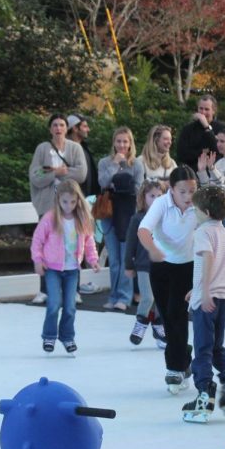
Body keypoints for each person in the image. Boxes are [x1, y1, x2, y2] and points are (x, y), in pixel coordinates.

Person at [181, 186, 225, 423]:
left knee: (203, 349)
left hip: (208, 299)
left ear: (205, 211)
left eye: (195, 209)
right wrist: (195, 289)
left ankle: (204, 394)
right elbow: (218, 266)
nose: (194, 213)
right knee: (216, 347)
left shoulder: (203, 232)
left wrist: (204, 292)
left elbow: (208, 259)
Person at [138, 166, 200, 393]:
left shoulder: (198, 204)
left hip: (187, 266)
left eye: (192, 190)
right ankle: (183, 356)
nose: (188, 196)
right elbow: (143, 230)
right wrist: (153, 249)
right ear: (172, 190)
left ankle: (174, 369)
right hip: (162, 265)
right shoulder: (161, 203)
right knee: (167, 316)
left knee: (178, 314)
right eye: (182, 191)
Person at [31, 179, 100, 354]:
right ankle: (49, 336)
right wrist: (38, 260)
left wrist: (93, 259)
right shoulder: (50, 218)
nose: (68, 206)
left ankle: (67, 337)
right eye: (64, 202)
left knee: (70, 306)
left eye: (72, 202)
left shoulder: (81, 219)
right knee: (54, 303)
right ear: (58, 200)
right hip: (52, 269)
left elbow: (89, 240)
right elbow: (37, 240)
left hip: (72, 270)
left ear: (78, 201)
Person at [28, 113, 89, 304]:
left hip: (70, 204)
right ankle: (44, 289)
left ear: (66, 128)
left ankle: (74, 289)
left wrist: (62, 174)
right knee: (46, 245)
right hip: (48, 205)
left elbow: (81, 173)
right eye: (55, 125)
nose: (58, 128)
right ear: (50, 128)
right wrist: (55, 173)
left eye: (62, 125)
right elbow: (35, 175)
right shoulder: (42, 149)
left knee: (74, 244)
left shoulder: (75, 148)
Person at [97, 126, 144, 311]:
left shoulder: (136, 164)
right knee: (114, 259)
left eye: (125, 141)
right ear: (113, 143)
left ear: (131, 143)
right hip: (109, 213)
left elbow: (139, 189)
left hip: (129, 214)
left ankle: (124, 296)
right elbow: (103, 183)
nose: (122, 145)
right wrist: (115, 165)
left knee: (126, 258)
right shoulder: (104, 162)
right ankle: (113, 295)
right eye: (118, 141)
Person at [123, 179, 168, 348]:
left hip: (163, 265)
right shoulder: (138, 218)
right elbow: (130, 244)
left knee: (161, 300)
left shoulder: (167, 218)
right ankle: (141, 322)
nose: (156, 199)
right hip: (144, 266)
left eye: (159, 195)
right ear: (144, 197)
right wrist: (128, 265)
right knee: (148, 297)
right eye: (152, 196)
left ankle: (158, 328)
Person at [176, 94, 222, 172]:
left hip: (214, 173)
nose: (203, 112)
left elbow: (218, 151)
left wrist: (207, 127)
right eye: (201, 108)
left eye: (207, 109)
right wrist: (203, 152)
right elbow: (182, 154)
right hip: (191, 172)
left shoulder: (221, 128)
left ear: (213, 111)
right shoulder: (188, 129)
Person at [67, 114, 101, 198]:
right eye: (85, 126)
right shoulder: (64, 150)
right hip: (72, 201)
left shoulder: (84, 148)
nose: (88, 129)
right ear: (75, 128)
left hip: (88, 201)